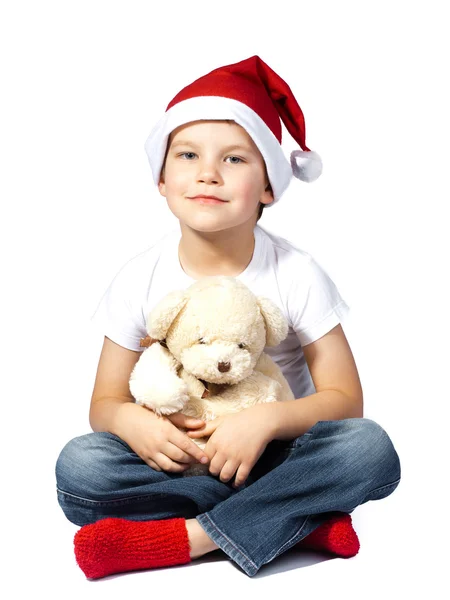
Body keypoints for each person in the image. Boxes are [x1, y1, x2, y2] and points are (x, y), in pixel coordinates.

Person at [55, 55, 401, 579]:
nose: (208, 174)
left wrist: (265, 420)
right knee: (81, 469)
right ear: (162, 179)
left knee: (368, 449)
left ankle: (189, 538)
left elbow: (346, 401)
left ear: (269, 187)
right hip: (183, 461)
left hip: (275, 456)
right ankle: (296, 520)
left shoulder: (297, 272)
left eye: (235, 159)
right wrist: (131, 421)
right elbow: (104, 403)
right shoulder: (137, 277)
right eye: (188, 155)